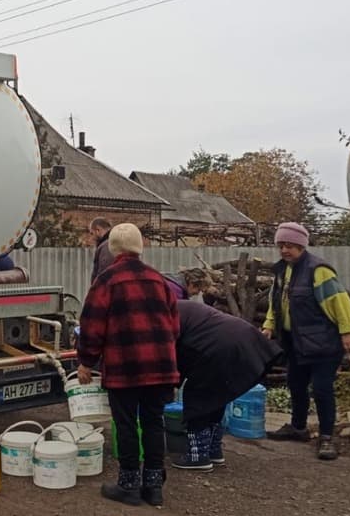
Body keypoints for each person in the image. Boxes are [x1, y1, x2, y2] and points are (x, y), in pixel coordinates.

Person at [77, 223, 178, 507]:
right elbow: (174, 325)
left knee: (126, 424)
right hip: (160, 366)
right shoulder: (159, 280)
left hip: (125, 368)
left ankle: (129, 486)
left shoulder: (106, 281)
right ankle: (154, 488)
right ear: (140, 247)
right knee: (153, 423)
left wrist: (86, 361)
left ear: (112, 248)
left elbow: (91, 326)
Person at [262, 222, 350, 460]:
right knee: (295, 384)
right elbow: (276, 302)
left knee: (322, 389)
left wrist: (347, 331)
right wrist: (269, 324)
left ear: (301, 245)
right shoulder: (282, 270)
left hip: (322, 341)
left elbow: (340, 301)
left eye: (289, 245)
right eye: (281, 245)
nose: (284, 250)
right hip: (295, 341)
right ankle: (298, 427)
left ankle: (326, 438)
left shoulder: (318, 270)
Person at [171, 300, 283, 471]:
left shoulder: (166, 314)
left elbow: (172, 353)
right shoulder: (180, 306)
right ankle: (213, 450)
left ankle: (197, 455)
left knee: (199, 396)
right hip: (244, 338)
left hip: (221, 346)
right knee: (216, 396)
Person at [88, 217, 114, 281]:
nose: (91, 238)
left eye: (92, 233)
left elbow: (104, 274)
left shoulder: (106, 246)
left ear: (98, 230)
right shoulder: (113, 242)